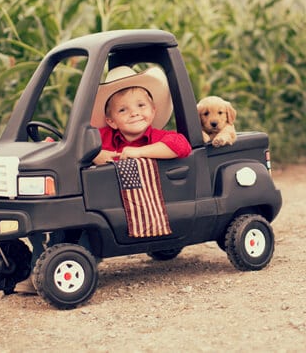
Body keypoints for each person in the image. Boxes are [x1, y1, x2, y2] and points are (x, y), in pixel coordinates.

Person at [14, 65, 190, 294]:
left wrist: (138, 152)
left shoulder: (158, 137)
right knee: (53, 225)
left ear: (153, 110)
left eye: (141, 106)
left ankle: (78, 265)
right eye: (123, 110)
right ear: (112, 120)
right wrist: (94, 153)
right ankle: (38, 268)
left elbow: (181, 146)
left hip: (126, 207)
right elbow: (76, 147)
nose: (134, 112)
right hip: (97, 199)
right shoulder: (102, 137)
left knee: (88, 232)